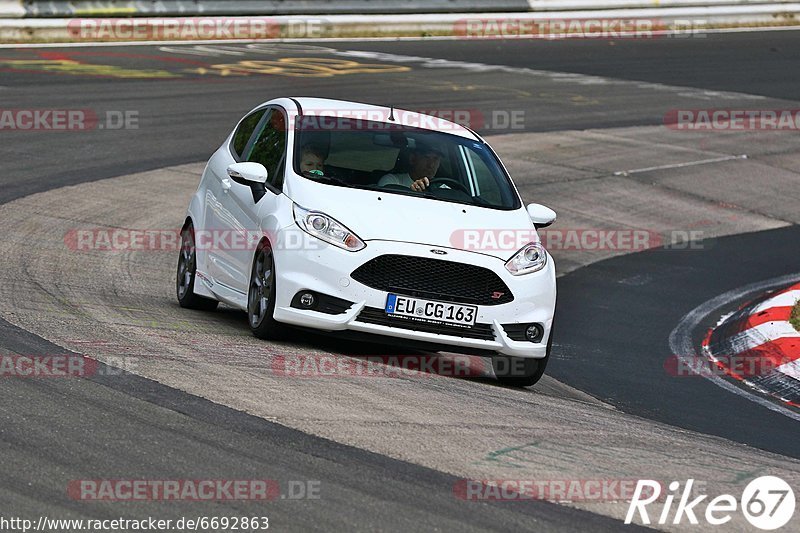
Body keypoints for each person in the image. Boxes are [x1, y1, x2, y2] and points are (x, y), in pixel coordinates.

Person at [378, 142, 444, 191]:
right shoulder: (391, 181)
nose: (431, 165)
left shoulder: (443, 189)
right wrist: (412, 193)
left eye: (436, 159)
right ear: (413, 159)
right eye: (426, 157)